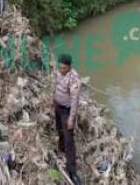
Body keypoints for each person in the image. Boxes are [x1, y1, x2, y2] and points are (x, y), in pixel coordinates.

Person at [54, 53, 81, 185]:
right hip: (57, 108)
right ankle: (61, 150)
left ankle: (72, 171)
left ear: (70, 67)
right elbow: (56, 88)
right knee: (59, 131)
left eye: (64, 68)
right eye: (60, 67)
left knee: (69, 140)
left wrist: (71, 119)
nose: (62, 70)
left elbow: (75, 101)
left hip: (67, 111)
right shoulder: (58, 73)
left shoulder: (74, 79)